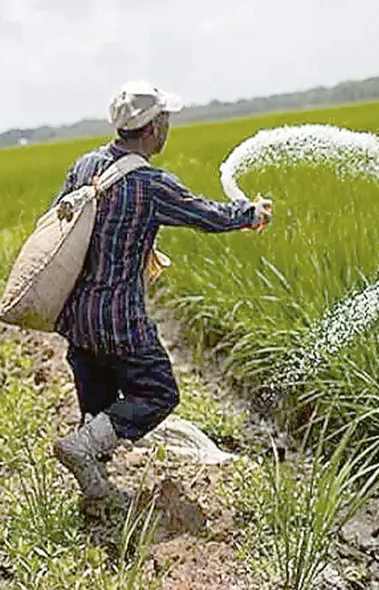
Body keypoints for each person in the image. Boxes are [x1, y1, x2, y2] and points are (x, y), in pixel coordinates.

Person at [49, 79, 273, 502]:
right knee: (157, 391)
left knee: (98, 403)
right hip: (119, 318)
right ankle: (82, 450)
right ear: (152, 129)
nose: (167, 127)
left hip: (76, 315)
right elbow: (205, 215)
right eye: (165, 120)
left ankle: (95, 492)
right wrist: (250, 213)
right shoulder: (150, 184)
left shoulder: (84, 166)